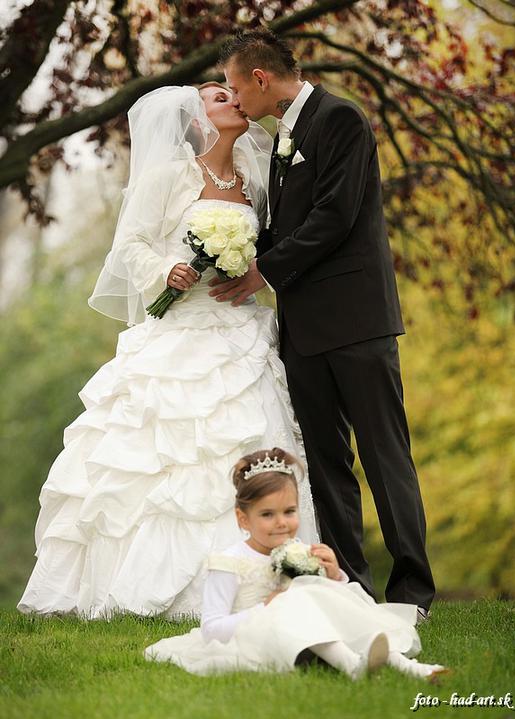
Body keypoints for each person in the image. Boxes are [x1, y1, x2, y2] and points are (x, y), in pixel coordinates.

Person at [17, 85, 318, 619]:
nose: (233, 100)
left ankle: (268, 580)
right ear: (198, 121)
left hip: (240, 332)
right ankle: (152, 587)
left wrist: (250, 272)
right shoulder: (168, 178)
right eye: (219, 97)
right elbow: (130, 245)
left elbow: (268, 249)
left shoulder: (254, 182)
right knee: (164, 457)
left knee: (253, 434)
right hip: (178, 330)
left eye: (233, 93)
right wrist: (167, 270)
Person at [208, 30, 436, 619]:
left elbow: (335, 216)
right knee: (327, 465)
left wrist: (261, 272)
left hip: (357, 322)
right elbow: (283, 225)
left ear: (261, 79)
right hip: (303, 331)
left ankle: (412, 593)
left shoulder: (341, 119)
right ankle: (350, 587)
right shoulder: (278, 138)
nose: (235, 99)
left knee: (385, 457)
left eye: (236, 87)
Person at [144, 448, 446, 679]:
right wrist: (265, 608)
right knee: (294, 600)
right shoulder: (229, 562)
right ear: (243, 519)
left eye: (289, 511)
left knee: (332, 606)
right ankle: (352, 666)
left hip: (306, 633)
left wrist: (334, 575)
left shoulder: (298, 550)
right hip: (258, 638)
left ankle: (409, 667)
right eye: (267, 514)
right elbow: (212, 629)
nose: (281, 523)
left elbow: (327, 601)